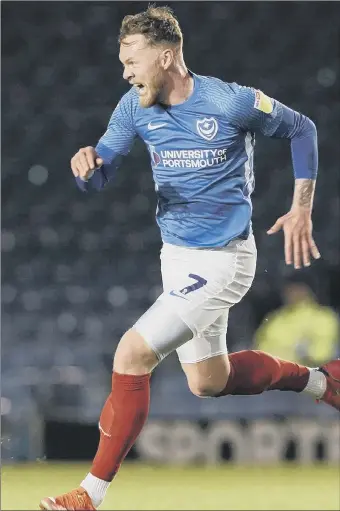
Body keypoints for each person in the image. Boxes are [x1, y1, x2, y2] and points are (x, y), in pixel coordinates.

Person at [40, 6, 340, 511]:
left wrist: (301, 209)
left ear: (166, 54)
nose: (125, 71)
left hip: (224, 261)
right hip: (175, 258)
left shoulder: (231, 101)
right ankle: (323, 381)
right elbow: (100, 174)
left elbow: (302, 128)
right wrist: (85, 167)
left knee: (131, 353)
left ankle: (90, 494)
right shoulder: (134, 107)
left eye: (131, 59)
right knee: (208, 382)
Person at [255, 277, 339, 366]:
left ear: (307, 290)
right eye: (288, 289)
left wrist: (306, 353)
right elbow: (259, 344)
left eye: (295, 288)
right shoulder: (275, 318)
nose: (290, 292)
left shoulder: (322, 317)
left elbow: (323, 353)